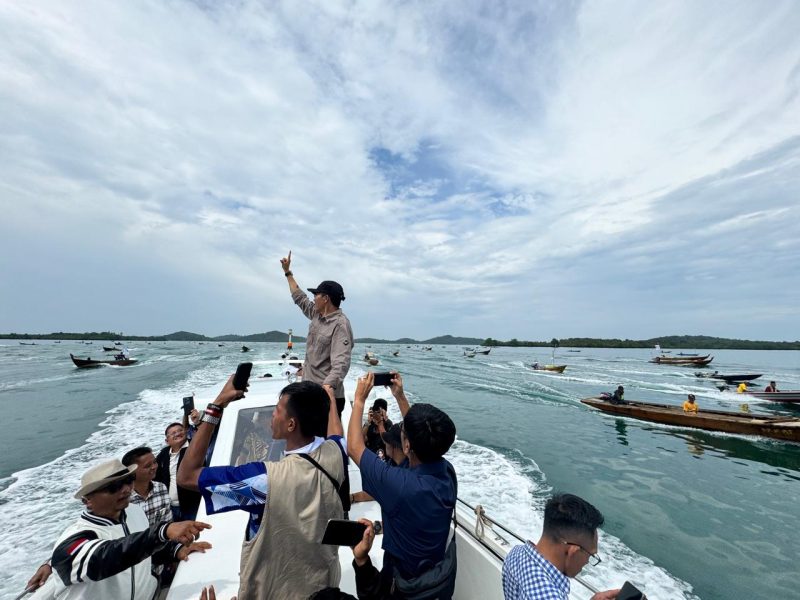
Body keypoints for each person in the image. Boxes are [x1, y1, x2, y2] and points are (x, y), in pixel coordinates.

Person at [177, 377, 349, 600]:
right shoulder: (336, 454)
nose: (272, 416)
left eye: (277, 410)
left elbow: (187, 475)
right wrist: (330, 401)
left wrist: (216, 406)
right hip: (324, 588)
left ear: (291, 425)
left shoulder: (263, 481)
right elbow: (337, 434)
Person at [32, 459, 210, 600]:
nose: (125, 489)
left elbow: (139, 551)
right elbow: (105, 557)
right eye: (113, 487)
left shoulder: (134, 511)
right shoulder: (74, 539)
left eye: (127, 481)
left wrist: (175, 550)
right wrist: (162, 532)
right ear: (87, 501)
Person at [348, 371, 458, 599]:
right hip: (433, 582)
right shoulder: (447, 473)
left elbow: (355, 448)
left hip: (403, 586)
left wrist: (359, 400)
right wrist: (400, 396)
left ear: (406, 446)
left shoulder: (399, 486)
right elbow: (421, 439)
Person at [502, 493, 620, 600]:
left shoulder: (517, 552)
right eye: (590, 555)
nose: (587, 562)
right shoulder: (549, 595)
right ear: (573, 551)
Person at [281, 250, 354, 420]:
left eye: (316, 295)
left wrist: (324, 391)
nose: (313, 298)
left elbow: (340, 365)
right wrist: (287, 272)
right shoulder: (317, 314)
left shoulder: (340, 325)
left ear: (326, 298)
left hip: (325, 398)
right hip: (309, 391)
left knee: (322, 437)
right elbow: (299, 297)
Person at [155, 422, 202, 521]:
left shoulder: (195, 447)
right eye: (173, 433)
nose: (177, 433)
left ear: (186, 432)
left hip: (194, 504)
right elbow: (156, 476)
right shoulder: (163, 454)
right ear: (167, 441)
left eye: (180, 430)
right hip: (171, 507)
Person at [122, 446, 172, 528]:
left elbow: (168, 522)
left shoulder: (161, 488)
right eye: (148, 466)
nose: (154, 467)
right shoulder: (123, 498)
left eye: (155, 462)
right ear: (131, 472)